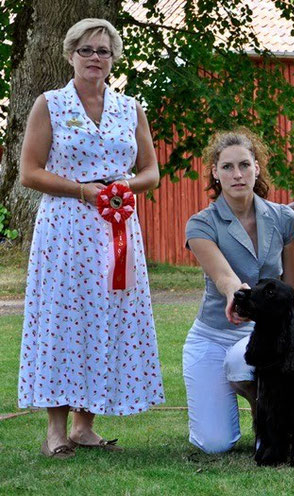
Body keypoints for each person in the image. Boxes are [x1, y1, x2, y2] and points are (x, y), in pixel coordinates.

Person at [17, 18, 164, 459]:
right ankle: (56, 430)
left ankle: (85, 426)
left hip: (116, 226)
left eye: (103, 51)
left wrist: (122, 190)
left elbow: (151, 172)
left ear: (113, 59)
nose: (95, 58)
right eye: (86, 50)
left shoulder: (129, 108)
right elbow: (29, 172)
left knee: (105, 316)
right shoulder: (51, 104)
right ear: (70, 55)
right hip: (65, 227)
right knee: (63, 320)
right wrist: (84, 191)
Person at [182, 129, 294, 454]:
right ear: (215, 173)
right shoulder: (201, 224)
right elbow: (223, 277)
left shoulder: (284, 219)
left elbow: (292, 290)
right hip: (211, 336)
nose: (237, 175)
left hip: (263, 334)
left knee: (242, 361)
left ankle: (270, 419)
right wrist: (237, 295)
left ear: (257, 168)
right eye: (228, 167)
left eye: (245, 165)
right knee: (215, 444)